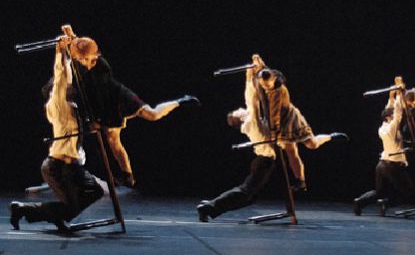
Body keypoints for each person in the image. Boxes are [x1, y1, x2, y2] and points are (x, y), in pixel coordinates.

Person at [68, 29, 200, 187]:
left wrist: (99, 120)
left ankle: (180, 101)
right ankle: (128, 175)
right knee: (113, 141)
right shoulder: (79, 65)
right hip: (104, 106)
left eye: (85, 59)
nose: (83, 61)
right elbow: (75, 46)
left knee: (153, 115)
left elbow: (102, 95)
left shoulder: (101, 66)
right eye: (81, 59)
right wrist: (69, 36)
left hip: (119, 97)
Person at [9, 35, 104, 232]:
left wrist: (70, 49)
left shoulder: (71, 107)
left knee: (95, 191)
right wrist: (60, 51)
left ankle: (34, 211)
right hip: (59, 167)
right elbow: (61, 74)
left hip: (74, 166)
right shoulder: (57, 104)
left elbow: (67, 76)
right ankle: (40, 211)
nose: (69, 86)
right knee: (72, 206)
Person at [251, 54, 348, 191]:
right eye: (262, 84)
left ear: (273, 79)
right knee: (291, 151)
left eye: (267, 84)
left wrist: (274, 132)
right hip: (280, 123)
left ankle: (331, 136)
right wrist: (257, 60)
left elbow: (274, 115)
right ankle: (300, 181)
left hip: (290, 120)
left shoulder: (278, 91)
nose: (265, 87)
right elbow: (263, 68)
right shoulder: (266, 76)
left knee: (312, 144)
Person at [195, 65, 277, 222]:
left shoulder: (251, 122)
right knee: (245, 193)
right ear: (238, 119)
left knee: (250, 196)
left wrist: (252, 74)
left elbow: (253, 98)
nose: (241, 108)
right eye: (238, 111)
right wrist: (251, 75)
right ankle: (209, 207)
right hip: (264, 161)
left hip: (263, 160)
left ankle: (213, 205)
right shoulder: (250, 122)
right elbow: (251, 97)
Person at [353, 87, 414, 216]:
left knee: (378, 191)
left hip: (381, 165)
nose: (393, 116)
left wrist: (391, 97)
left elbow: (390, 109)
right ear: (388, 117)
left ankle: (360, 201)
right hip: (393, 165)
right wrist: (399, 95)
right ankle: (385, 203)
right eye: (391, 115)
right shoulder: (392, 127)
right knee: (408, 192)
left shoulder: (382, 127)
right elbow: (398, 112)